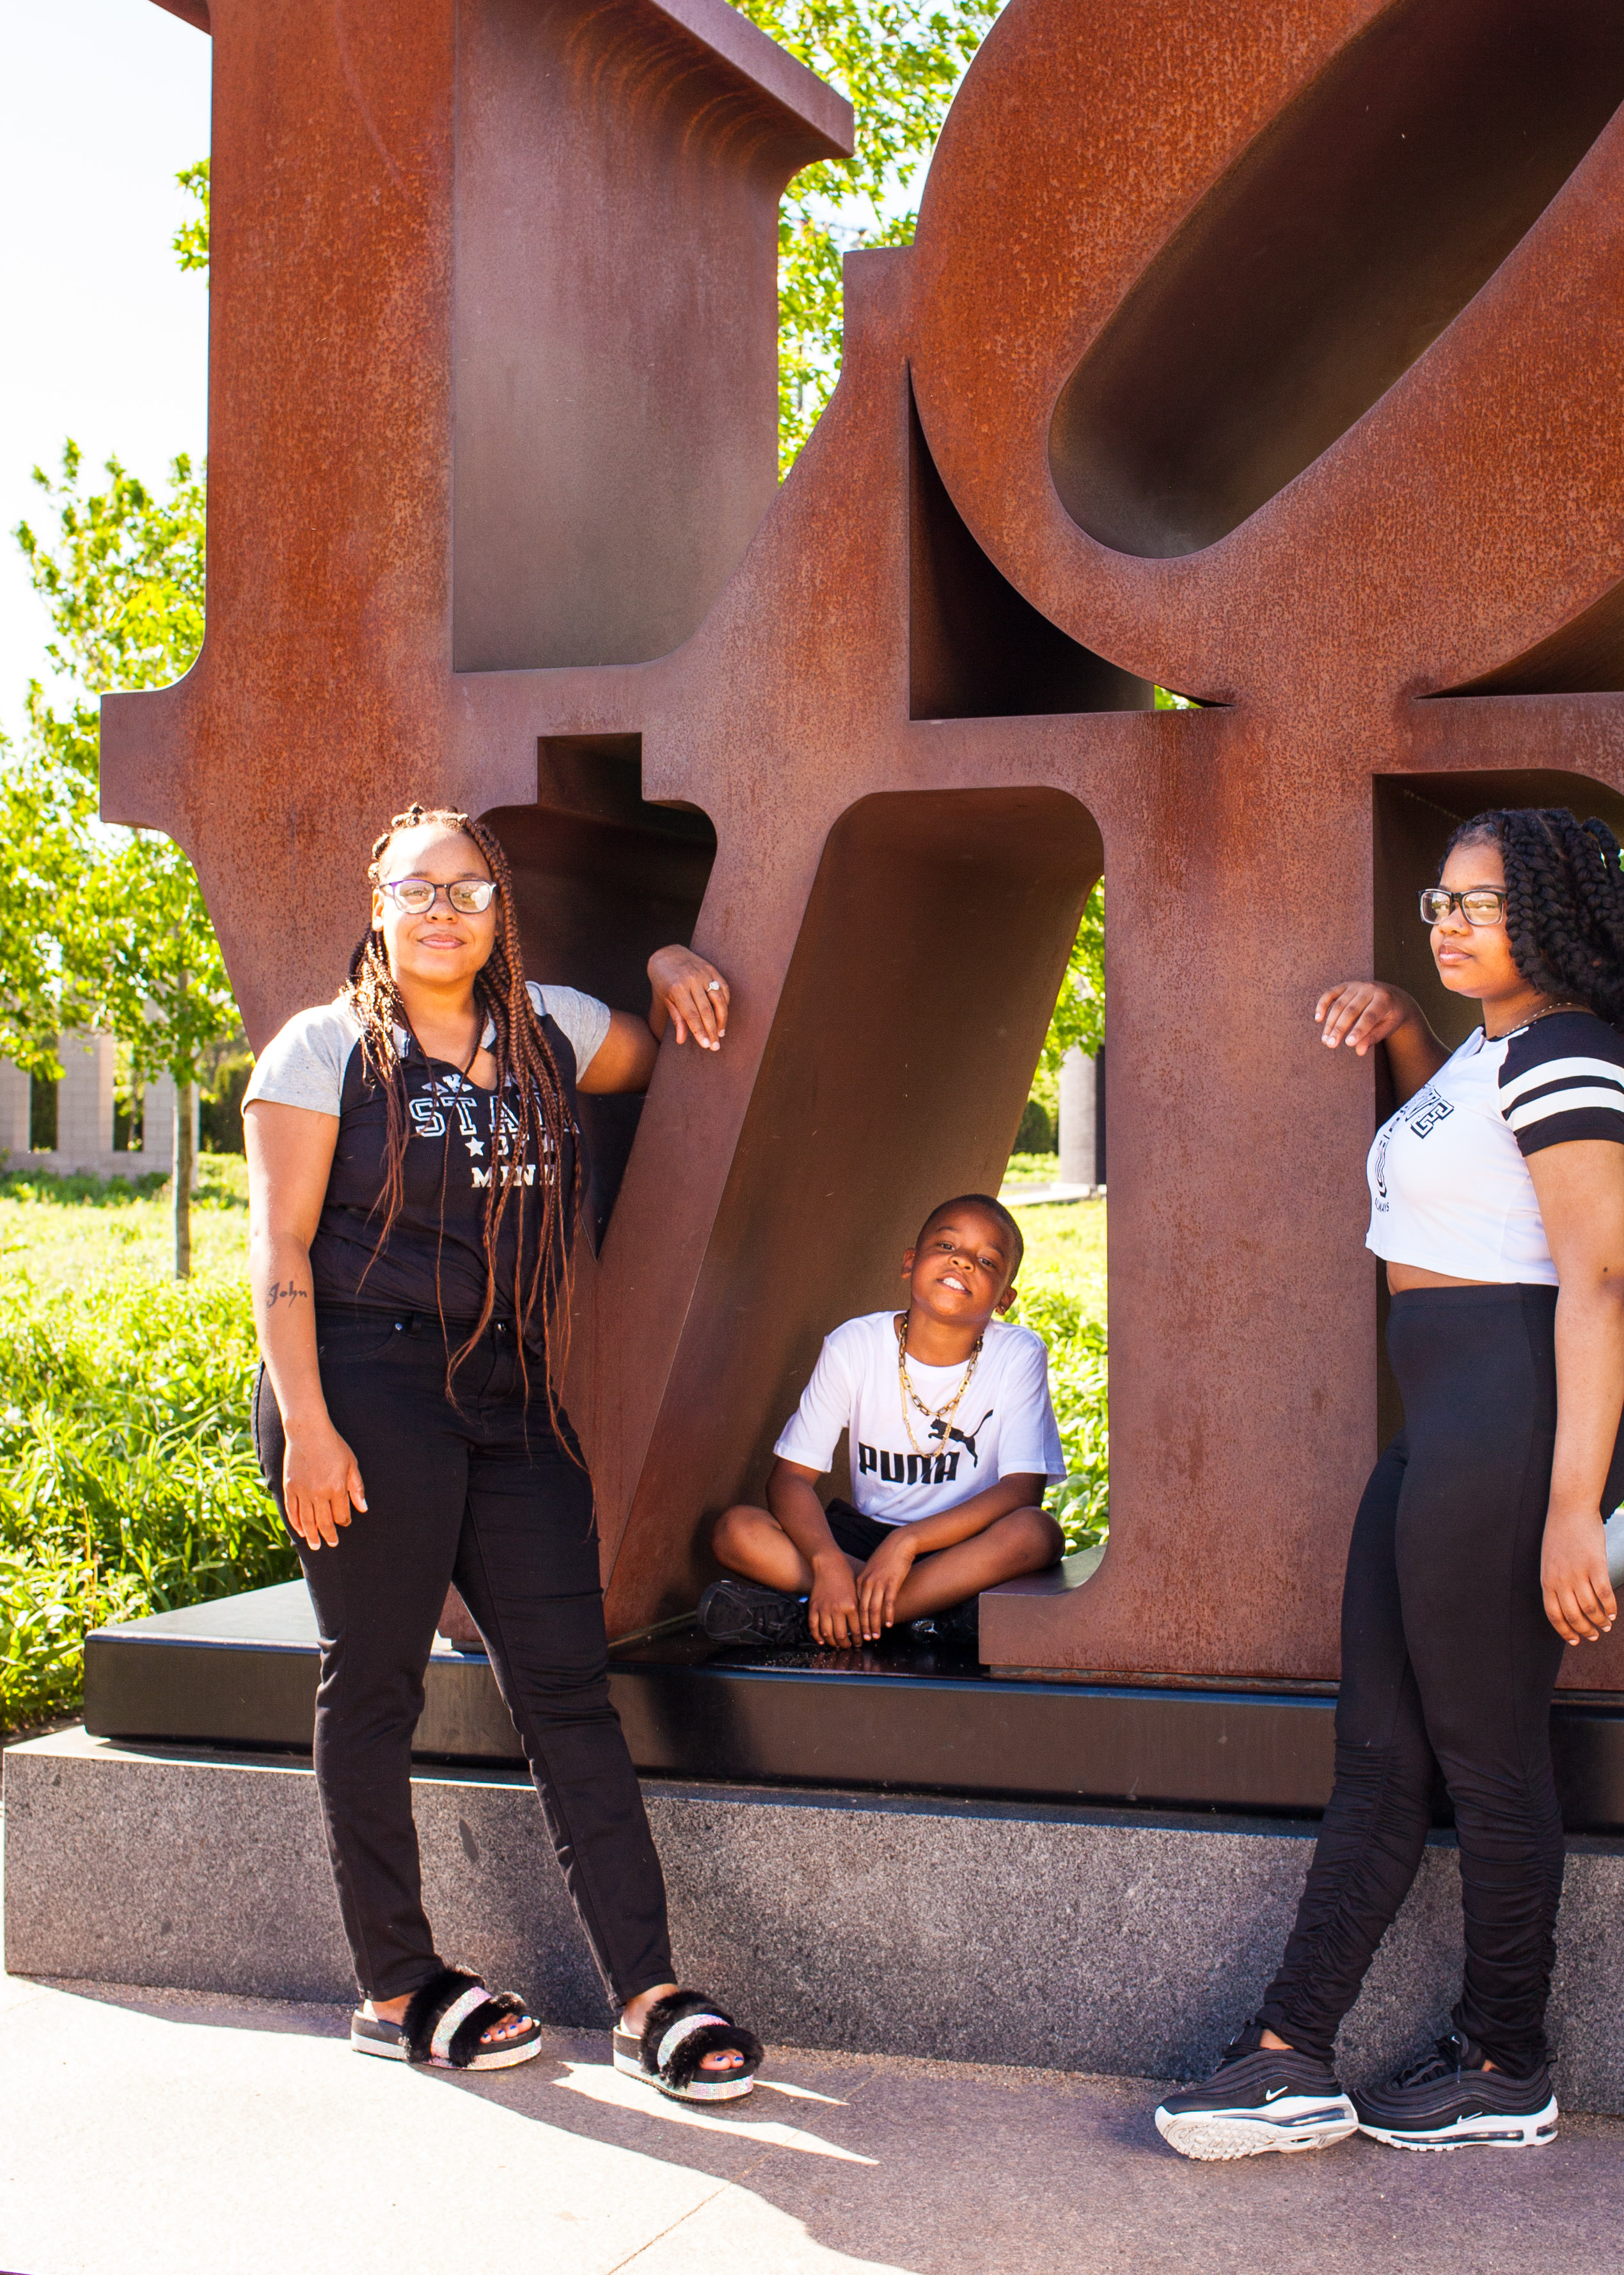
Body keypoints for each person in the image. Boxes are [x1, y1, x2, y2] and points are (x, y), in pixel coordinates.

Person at [1152, 809, 1624, 2161]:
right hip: (1453, 1416)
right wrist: (1403, 1023)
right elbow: (1453, 1183)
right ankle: (1289, 2054)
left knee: (1485, 1754)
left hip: (1515, 1420)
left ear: (1557, 914)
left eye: (1480, 904)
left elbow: (1598, 1277)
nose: (1450, 922)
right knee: (1381, 1750)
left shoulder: (1571, 1051)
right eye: (1440, 903)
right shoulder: (1491, 1047)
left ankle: (1506, 2058)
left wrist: (1571, 1504)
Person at [245, 801, 760, 2096]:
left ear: (498, 910)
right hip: (361, 1379)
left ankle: (647, 1997)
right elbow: (280, 1254)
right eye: (416, 888)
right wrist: (308, 1424)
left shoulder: (551, 1031)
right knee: (373, 1686)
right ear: (377, 905)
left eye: (467, 889)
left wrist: (664, 962)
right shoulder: (320, 1051)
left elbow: (651, 1051)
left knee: (566, 1688)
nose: (441, 910)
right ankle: (395, 1983)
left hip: (512, 1393)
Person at [699, 1194, 1065, 1651]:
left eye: (987, 1260)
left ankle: (814, 1620)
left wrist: (909, 1542)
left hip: (960, 1545)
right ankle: (923, 1616)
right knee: (736, 1530)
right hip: (863, 1543)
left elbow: (1022, 1491)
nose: (963, 1261)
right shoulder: (854, 1345)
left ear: (1004, 1298)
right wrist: (828, 1561)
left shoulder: (1017, 1354)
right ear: (910, 1262)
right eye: (947, 1244)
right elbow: (790, 1479)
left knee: (1036, 1532)